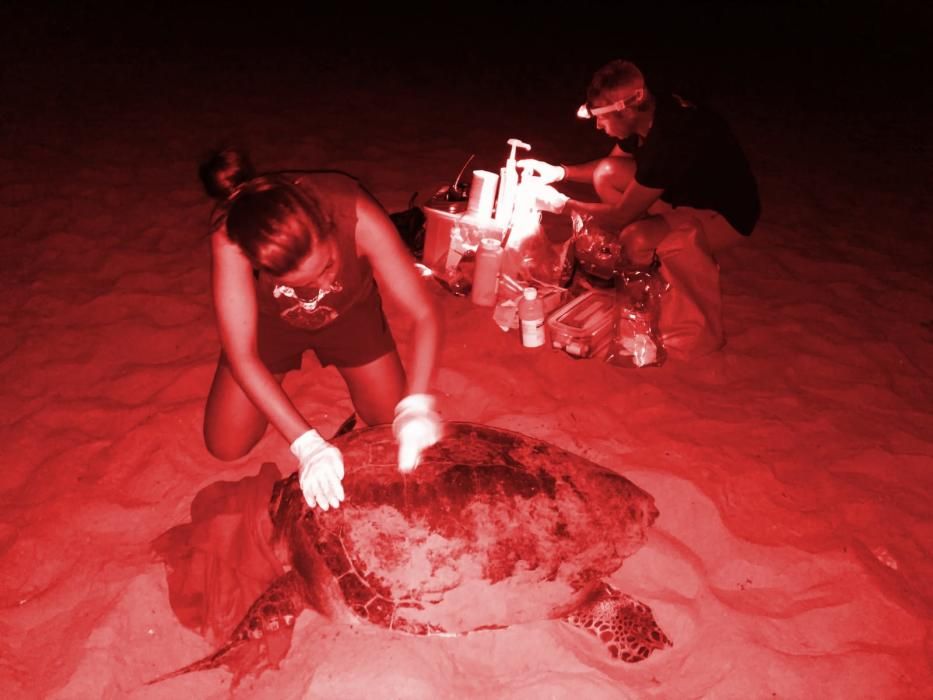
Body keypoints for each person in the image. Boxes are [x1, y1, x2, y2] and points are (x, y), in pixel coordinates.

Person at [198, 148, 442, 511]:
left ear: (328, 224)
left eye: (327, 265)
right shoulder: (231, 235)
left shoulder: (353, 210)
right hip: (271, 320)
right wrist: (306, 444)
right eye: (304, 280)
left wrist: (417, 404)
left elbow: (424, 314)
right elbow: (241, 354)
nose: (322, 282)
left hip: (349, 310)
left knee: (390, 423)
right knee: (225, 444)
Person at [519, 59, 761, 266]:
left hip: (724, 215)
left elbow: (619, 215)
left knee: (636, 238)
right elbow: (609, 164)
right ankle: (654, 238)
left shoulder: (670, 140)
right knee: (606, 173)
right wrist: (560, 173)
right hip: (685, 192)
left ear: (626, 112)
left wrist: (560, 204)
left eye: (602, 118)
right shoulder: (646, 111)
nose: (598, 126)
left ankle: (657, 266)